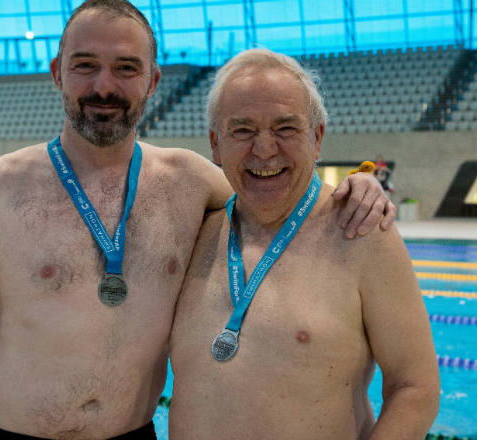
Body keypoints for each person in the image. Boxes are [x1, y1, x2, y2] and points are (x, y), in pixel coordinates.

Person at [0, 1, 394, 439]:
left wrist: (359, 184)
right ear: (57, 73)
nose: (105, 86)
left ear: (153, 81)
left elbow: (280, 192)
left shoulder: (190, 182)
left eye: (126, 68)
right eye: (85, 65)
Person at [167, 49, 440, 439]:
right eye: (242, 130)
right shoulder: (192, 233)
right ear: (215, 143)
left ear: (317, 138)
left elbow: (416, 387)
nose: (264, 149)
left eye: (285, 129)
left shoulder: (360, 232)